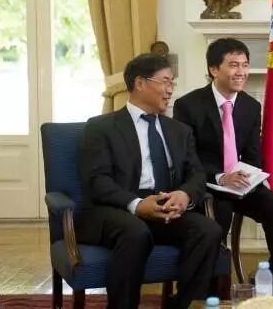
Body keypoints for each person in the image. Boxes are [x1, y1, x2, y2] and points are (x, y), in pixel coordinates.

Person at [75, 54, 222, 309]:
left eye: (172, 83)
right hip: (116, 209)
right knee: (135, 231)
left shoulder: (179, 130)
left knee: (208, 230)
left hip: (164, 206)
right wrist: (136, 204)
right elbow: (96, 180)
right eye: (165, 82)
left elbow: (197, 174)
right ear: (140, 83)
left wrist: (184, 195)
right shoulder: (101, 127)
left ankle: (186, 306)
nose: (170, 90)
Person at [173, 38, 273, 295]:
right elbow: (187, 158)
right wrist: (221, 177)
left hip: (241, 184)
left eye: (245, 65)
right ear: (213, 69)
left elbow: (253, 154)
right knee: (220, 211)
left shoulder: (251, 106)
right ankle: (211, 292)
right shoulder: (188, 105)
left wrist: (251, 175)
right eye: (233, 65)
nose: (241, 72)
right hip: (208, 184)